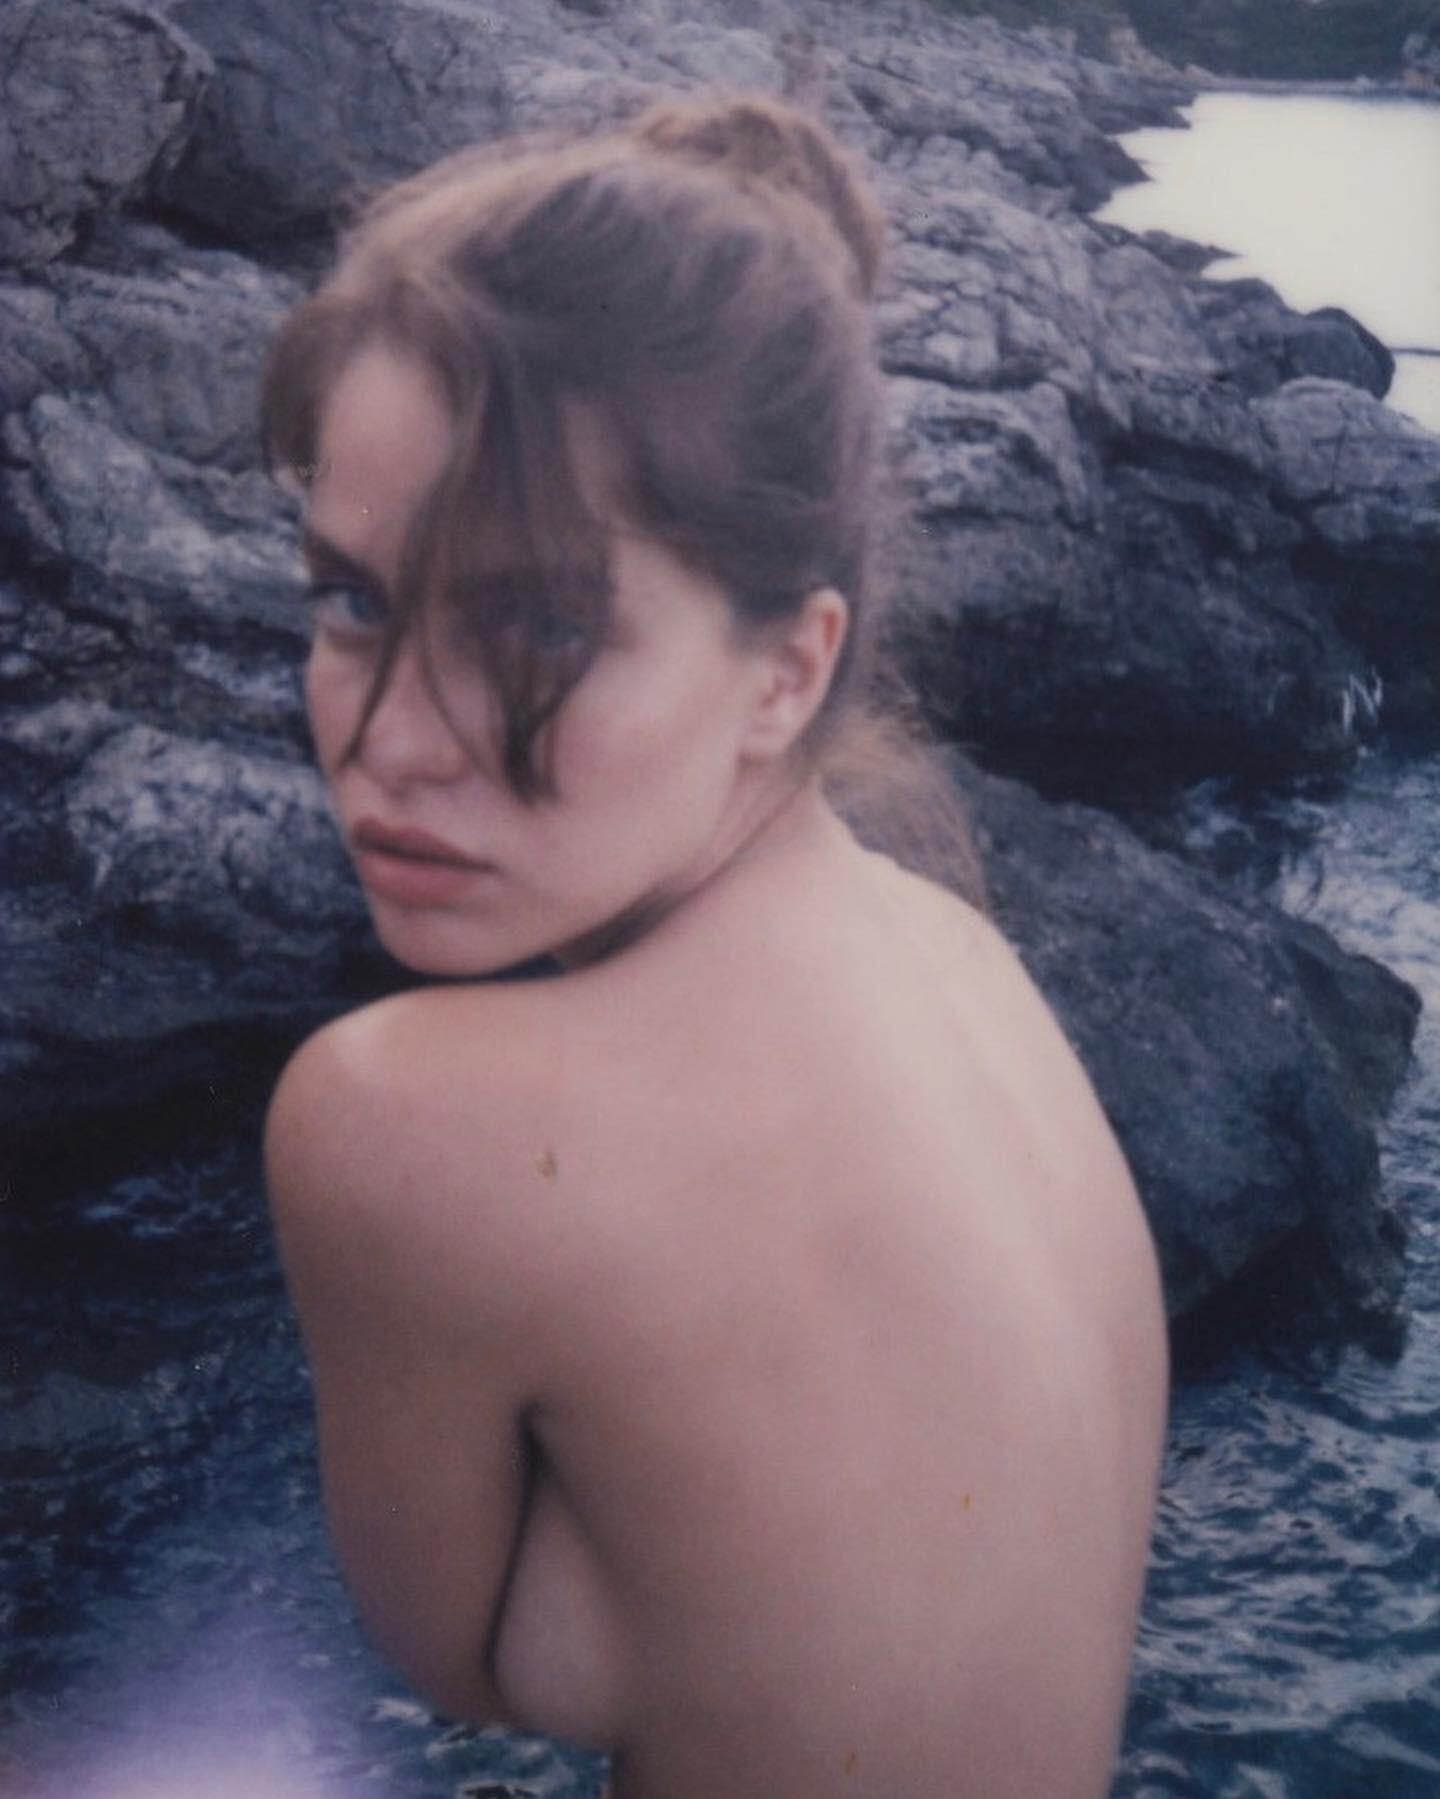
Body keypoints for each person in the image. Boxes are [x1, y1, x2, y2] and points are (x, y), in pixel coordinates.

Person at [260, 94, 1169, 1799]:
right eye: (353, 599)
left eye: (539, 625)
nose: (391, 741)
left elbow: (473, 1667)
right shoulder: (963, 963)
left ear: (788, 670)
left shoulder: (393, 1114)